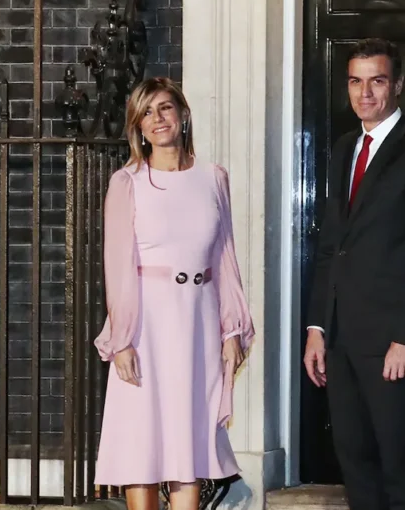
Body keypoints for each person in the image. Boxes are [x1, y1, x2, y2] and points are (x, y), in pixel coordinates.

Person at [303, 39, 405, 510]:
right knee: (354, 459)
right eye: (355, 80)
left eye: (377, 80)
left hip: (392, 340)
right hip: (342, 339)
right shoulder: (346, 147)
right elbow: (333, 246)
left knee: (398, 459)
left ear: (398, 85)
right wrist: (316, 328)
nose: (364, 92)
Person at [95, 77, 255, 510]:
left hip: (198, 322)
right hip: (147, 324)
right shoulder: (127, 182)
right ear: (138, 127)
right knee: (141, 445)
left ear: (183, 115)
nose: (158, 119)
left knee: (189, 445)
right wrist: (122, 337)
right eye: (147, 113)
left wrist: (230, 330)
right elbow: (118, 266)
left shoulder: (213, 178)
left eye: (165, 108)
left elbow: (225, 259)